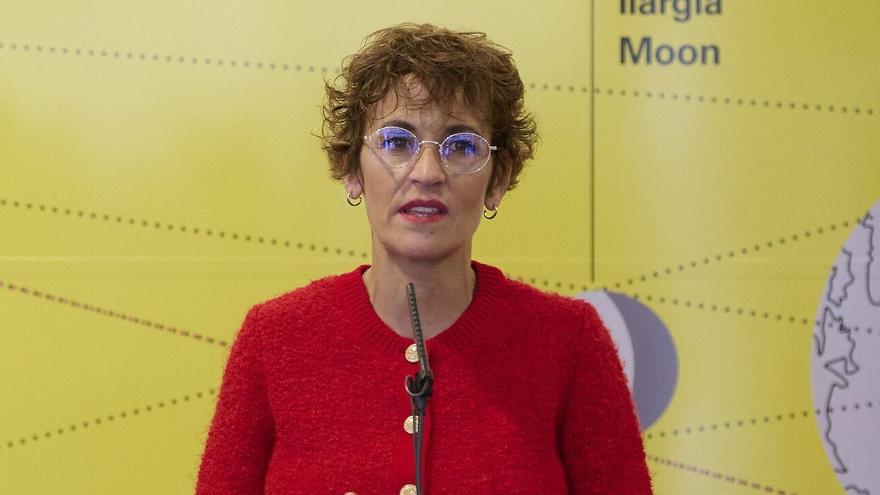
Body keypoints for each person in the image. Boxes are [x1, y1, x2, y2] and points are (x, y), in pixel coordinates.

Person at [195, 23, 651, 495]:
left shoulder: (570, 342)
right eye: (397, 142)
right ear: (352, 169)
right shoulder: (274, 339)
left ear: (497, 179)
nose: (428, 173)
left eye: (461, 146)